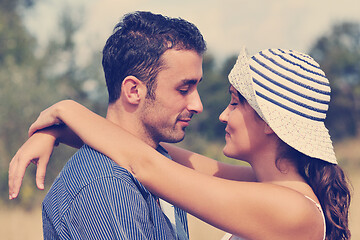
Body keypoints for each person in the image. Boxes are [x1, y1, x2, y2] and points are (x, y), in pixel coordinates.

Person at [9, 47, 351, 240]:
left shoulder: (291, 210)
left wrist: (66, 107)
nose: (220, 115)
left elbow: (146, 164)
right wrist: (55, 132)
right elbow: (150, 150)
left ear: (269, 123)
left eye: (235, 103)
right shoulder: (274, 190)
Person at [9, 11, 207, 240]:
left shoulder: (161, 163)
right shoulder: (107, 187)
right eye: (184, 89)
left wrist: (62, 125)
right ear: (133, 91)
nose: (197, 105)